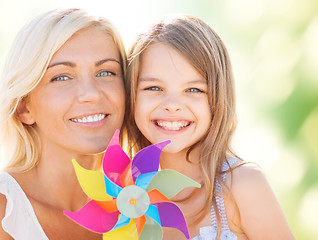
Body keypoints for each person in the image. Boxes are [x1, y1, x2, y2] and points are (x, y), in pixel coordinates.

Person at [125, 14, 295, 239]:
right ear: (131, 95)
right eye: (154, 88)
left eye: (194, 90)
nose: (173, 105)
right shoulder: (126, 200)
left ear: (218, 96)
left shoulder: (242, 185)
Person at [0, 8, 126, 239]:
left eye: (106, 72)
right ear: (24, 108)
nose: (92, 94)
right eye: (61, 77)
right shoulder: (5, 208)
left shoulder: (137, 208)